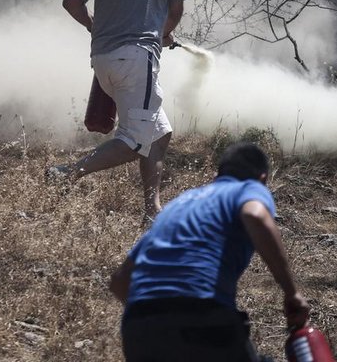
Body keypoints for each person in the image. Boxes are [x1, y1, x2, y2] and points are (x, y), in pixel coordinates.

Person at [52, 0, 193, 220]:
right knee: (135, 139)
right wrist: (163, 34)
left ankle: (152, 209)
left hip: (102, 59)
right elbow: (175, 11)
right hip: (137, 60)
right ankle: (67, 173)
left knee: (159, 133)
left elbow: (71, 2)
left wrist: (92, 26)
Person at [108, 142, 311, 362]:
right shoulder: (248, 188)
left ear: (216, 175)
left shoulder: (176, 206)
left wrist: (158, 317)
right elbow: (255, 215)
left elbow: (119, 281)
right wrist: (292, 293)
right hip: (201, 316)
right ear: (263, 178)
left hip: (139, 330)